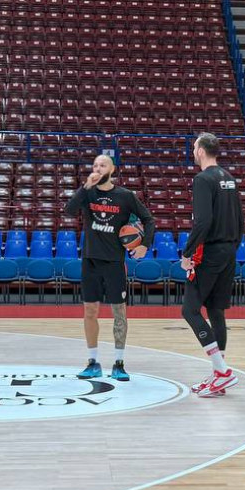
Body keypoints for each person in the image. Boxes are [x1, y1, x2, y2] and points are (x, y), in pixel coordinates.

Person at [66, 153, 156, 382]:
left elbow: (149, 219)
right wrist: (85, 187)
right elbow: (69, 210)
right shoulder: (88, 193)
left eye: (102, 164)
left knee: (119, 313)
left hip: (115, 262)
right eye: (95, 164)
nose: (97, 168)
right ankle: (92, 361)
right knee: (90, 311)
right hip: (90, 260)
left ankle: (119, 363)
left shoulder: (125, 196)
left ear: (112, 169)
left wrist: (145, 245)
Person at [180, 133, 245, 399]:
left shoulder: (203, 179)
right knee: (216, 310)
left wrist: (187, 253)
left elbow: (202, 222)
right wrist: (232, 247)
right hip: (229, 249)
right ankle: (219, 375)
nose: (193, 151)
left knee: (190, 309)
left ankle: (222, 370)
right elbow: (240, 221)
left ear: (202, 151)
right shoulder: (229, 178)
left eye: (194, 147)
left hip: (211, 251)